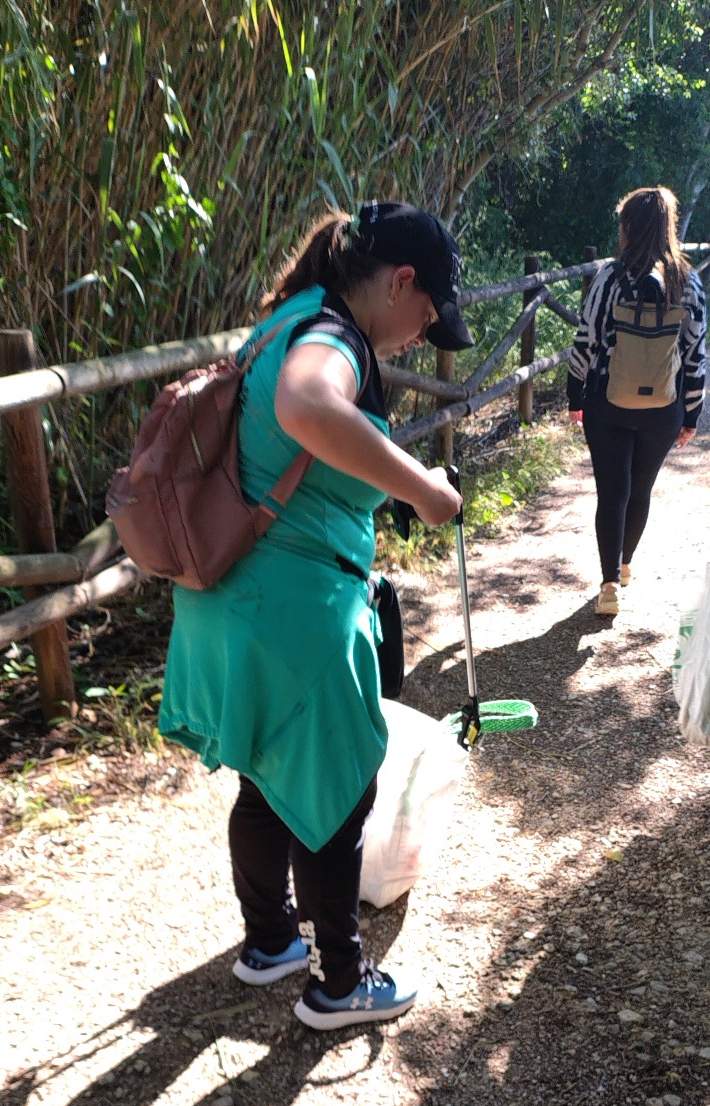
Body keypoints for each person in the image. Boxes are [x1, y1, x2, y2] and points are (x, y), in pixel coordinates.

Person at [158, 203, 470, 1029]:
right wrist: (424, 490)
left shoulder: (285, 319)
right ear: (401, 281)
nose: (422, 335)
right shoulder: (334, 338)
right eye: (428, 314)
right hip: (292, 610)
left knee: (267, 776)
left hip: (226, 592)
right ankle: (339, 982)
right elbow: (305, 406)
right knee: (338, 787)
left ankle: (269, 942)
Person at [567, 186, 707, 617]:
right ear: (668, 227)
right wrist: (692, 413)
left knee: (612, 493)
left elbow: (586, 339)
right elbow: (695, 353)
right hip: (663, 409)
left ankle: (608, 585)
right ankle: (625, 565)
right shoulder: (688, 281)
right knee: (640, 489)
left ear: (628, 227)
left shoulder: (609, 278)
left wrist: (575, 395)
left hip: (607, 403)